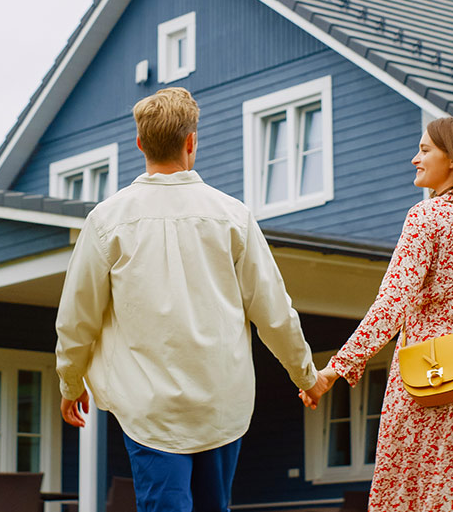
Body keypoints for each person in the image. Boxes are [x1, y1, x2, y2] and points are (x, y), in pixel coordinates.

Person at [55, 87, 321, 512]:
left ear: (140, 143)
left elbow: (76, 318)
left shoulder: (106, 221)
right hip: (221, 405)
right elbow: (273, 310)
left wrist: (71, 381)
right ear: (191, 141)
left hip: (149, 409)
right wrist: (306, 376)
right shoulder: (233, 215)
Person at [300, 117, 453, 511]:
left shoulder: (427, 218)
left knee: (415, 499)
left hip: (439, 377)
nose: (414, 159)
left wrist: (334, 370)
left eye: (424, 150)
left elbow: (392, 305)